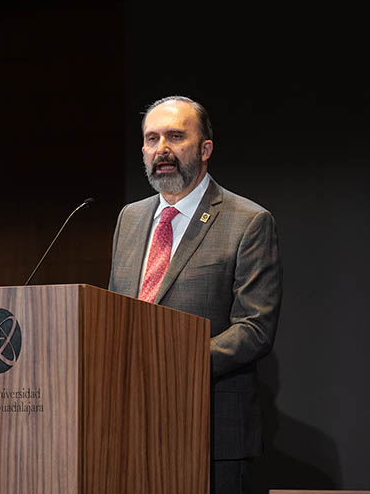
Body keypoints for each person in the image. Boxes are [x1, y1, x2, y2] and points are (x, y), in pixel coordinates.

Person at [108, 96, 281, 494]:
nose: (161, 149)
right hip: (129, 427)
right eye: (152, 139)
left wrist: (171, 364)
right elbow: (115, 312)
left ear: (205, 149)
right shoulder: (129, 218)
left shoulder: (249, 221)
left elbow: (255, 329)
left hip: (209, 426)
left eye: (175, 137)